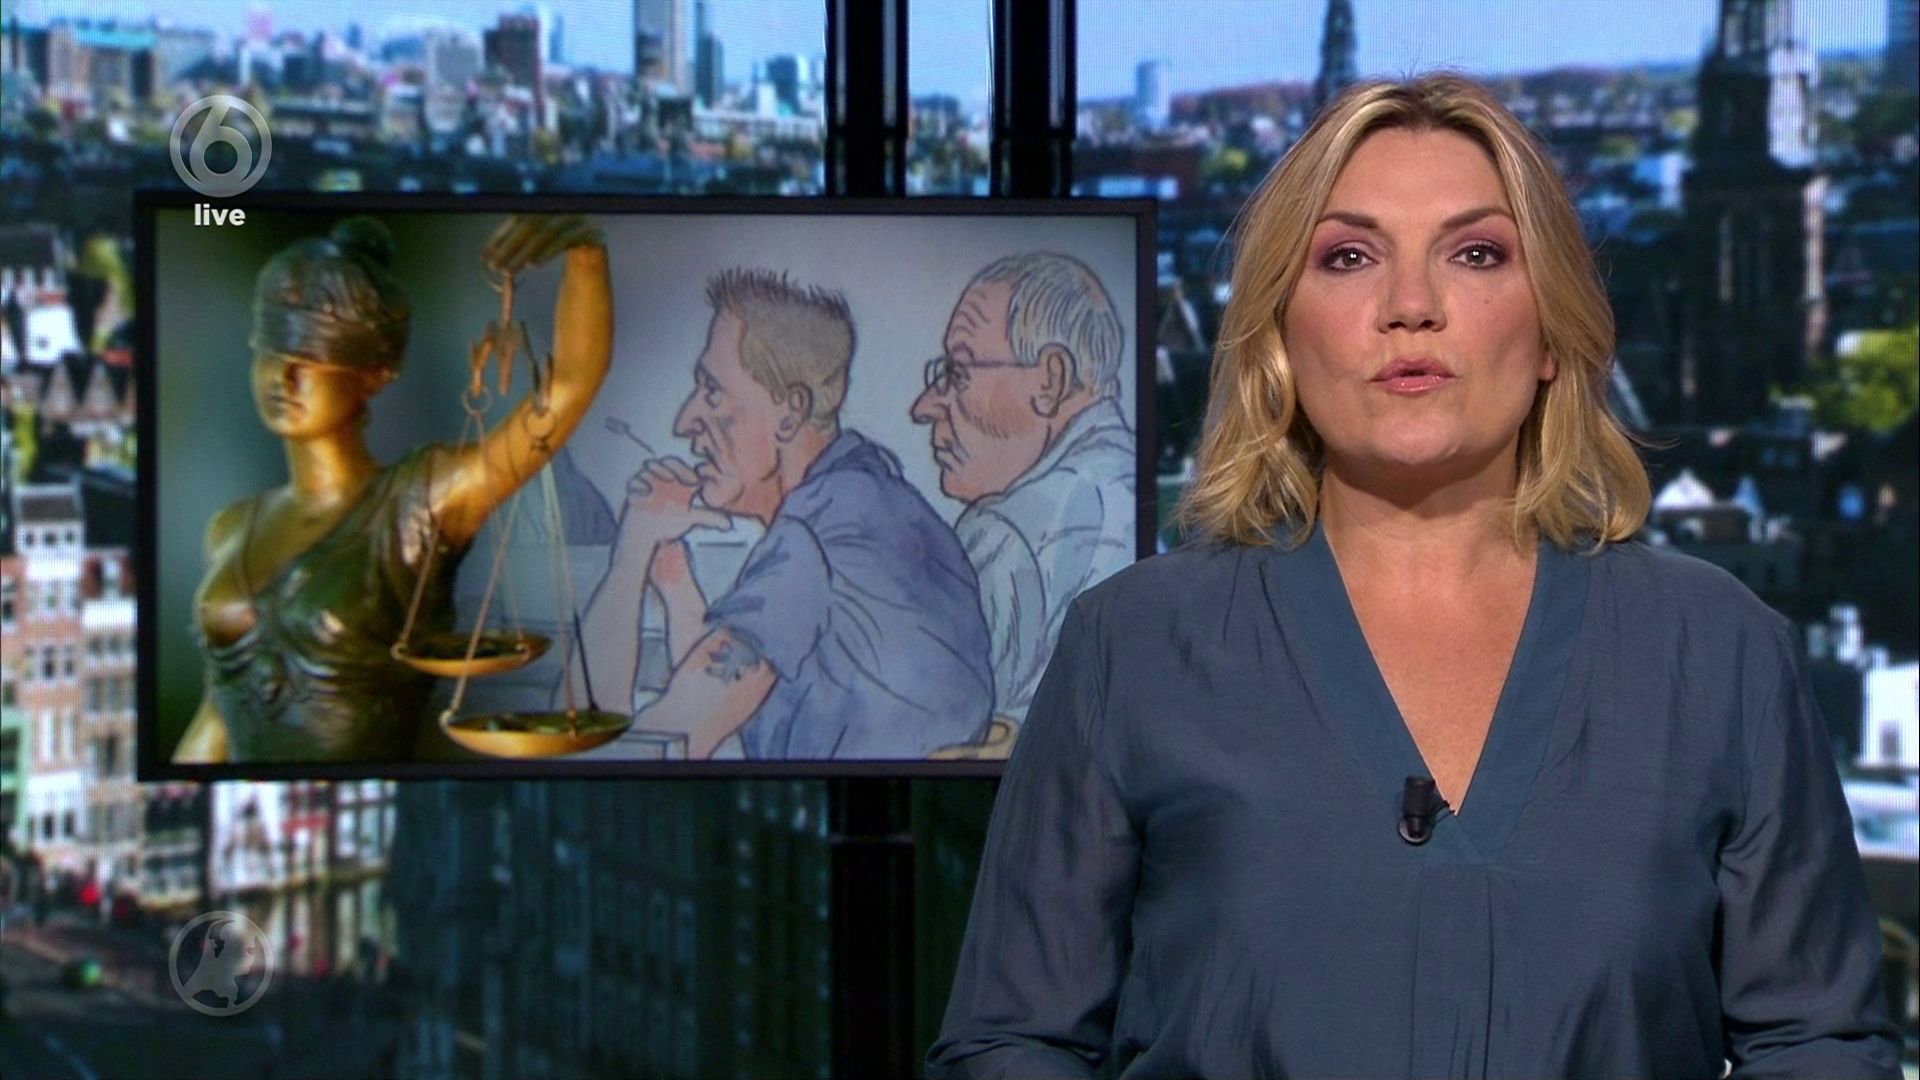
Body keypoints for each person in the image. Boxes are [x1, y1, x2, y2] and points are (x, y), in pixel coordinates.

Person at [928, 75, 1902, 1078]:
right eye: (1348, 258)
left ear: (1553, 334)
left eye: (1476, 254)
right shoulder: (1131, 648)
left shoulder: (1719, 653)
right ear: (1279, 332)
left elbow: (1818, 1044)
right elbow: (1013, 1043)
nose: (1410, 308)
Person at [172, 214, 613, 763]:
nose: (283, 379)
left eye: (311, 359)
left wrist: (586, 256)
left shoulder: (421, 502)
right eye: (271, 354)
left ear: (373, 375)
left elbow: (567, 387)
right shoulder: (231, 528)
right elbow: (219, 714)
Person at [579, 268, 993, 759]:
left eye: (713, 391)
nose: (685, 421)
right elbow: (723, 704)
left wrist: (630, 555)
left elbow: (655, 747)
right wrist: (670, 576)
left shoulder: (812, 538)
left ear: (790, 413)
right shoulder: (864, 503)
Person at [911, 253, 1136, 759]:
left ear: (1050, 381)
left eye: (957, 372)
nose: (924, 406)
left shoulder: (1004, 536)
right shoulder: (1127, 484)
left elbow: (933, 754)